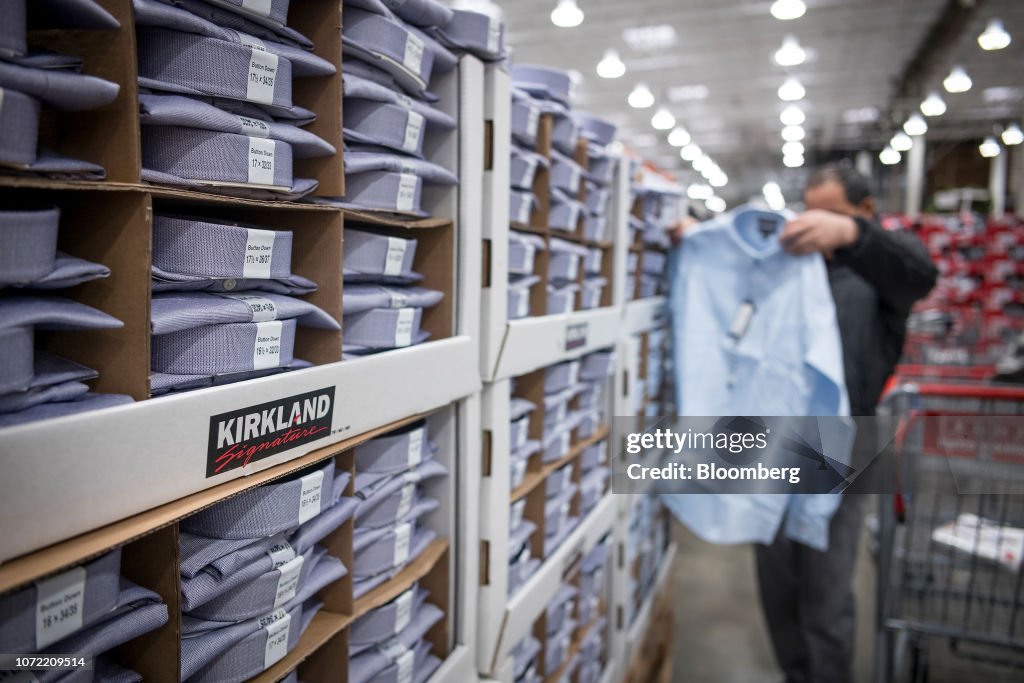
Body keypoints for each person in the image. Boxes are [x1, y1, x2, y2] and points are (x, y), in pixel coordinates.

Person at [671, 163, 937, 683]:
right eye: (811, 212)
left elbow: (920, 273)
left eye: (831, 214)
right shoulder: (790, 260)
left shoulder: (876, 271)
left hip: (848, 443)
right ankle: (796, 674)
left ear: (863, 211)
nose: (817, 224)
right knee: (774, 576)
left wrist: (853, 236)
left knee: (826, 588)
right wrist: (697, 239)